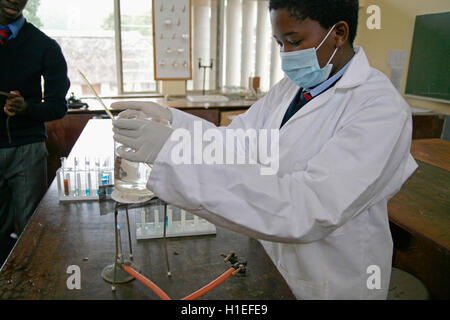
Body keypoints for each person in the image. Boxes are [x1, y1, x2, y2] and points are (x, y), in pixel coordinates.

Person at [112, 0, 418, 299]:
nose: (286, 55)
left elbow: (310, 208)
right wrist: (170, 124)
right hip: (273, 260)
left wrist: (169, 153)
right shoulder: (291, 89)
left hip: (331, 278)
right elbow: (236, 142)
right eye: (278, 43)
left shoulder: (380, 109)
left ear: (339, 32)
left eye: (294, 41)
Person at [0, 0, 70, 264]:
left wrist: (27, 108)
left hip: (27, 151)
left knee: (30, 232)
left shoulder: (46, 46)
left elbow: (57, 107)